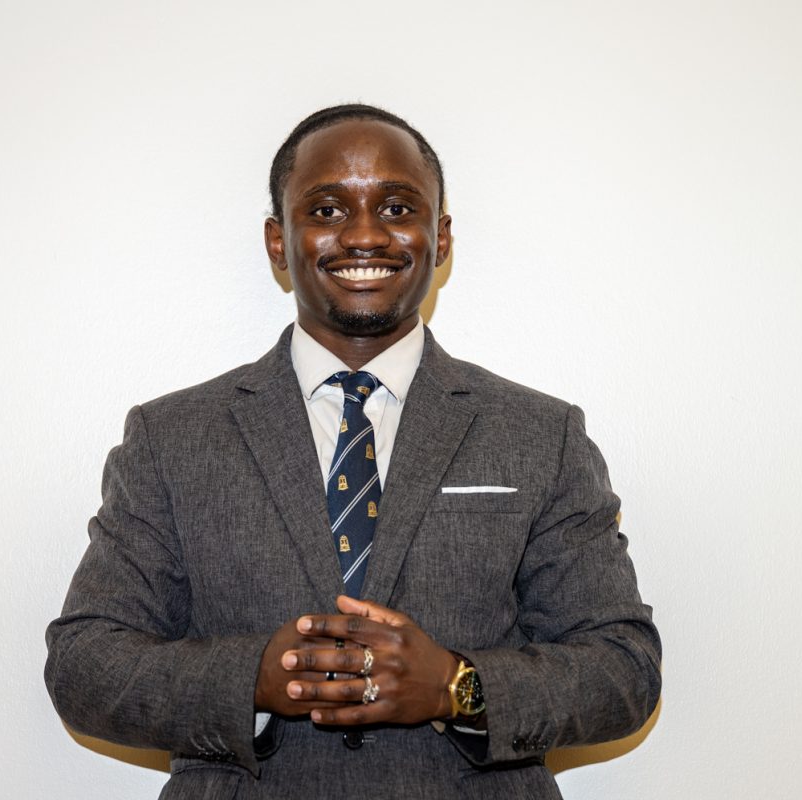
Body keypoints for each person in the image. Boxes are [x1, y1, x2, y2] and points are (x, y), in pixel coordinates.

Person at [45, 104, 661, 799]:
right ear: (279, 243)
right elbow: (85, 664)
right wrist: (252, 679)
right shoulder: (172, 437)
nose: (365, 234)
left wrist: (458, 688)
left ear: (442, 236)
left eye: (397, 207)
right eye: (329, 210)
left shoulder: (540, 434)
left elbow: (624, 668)